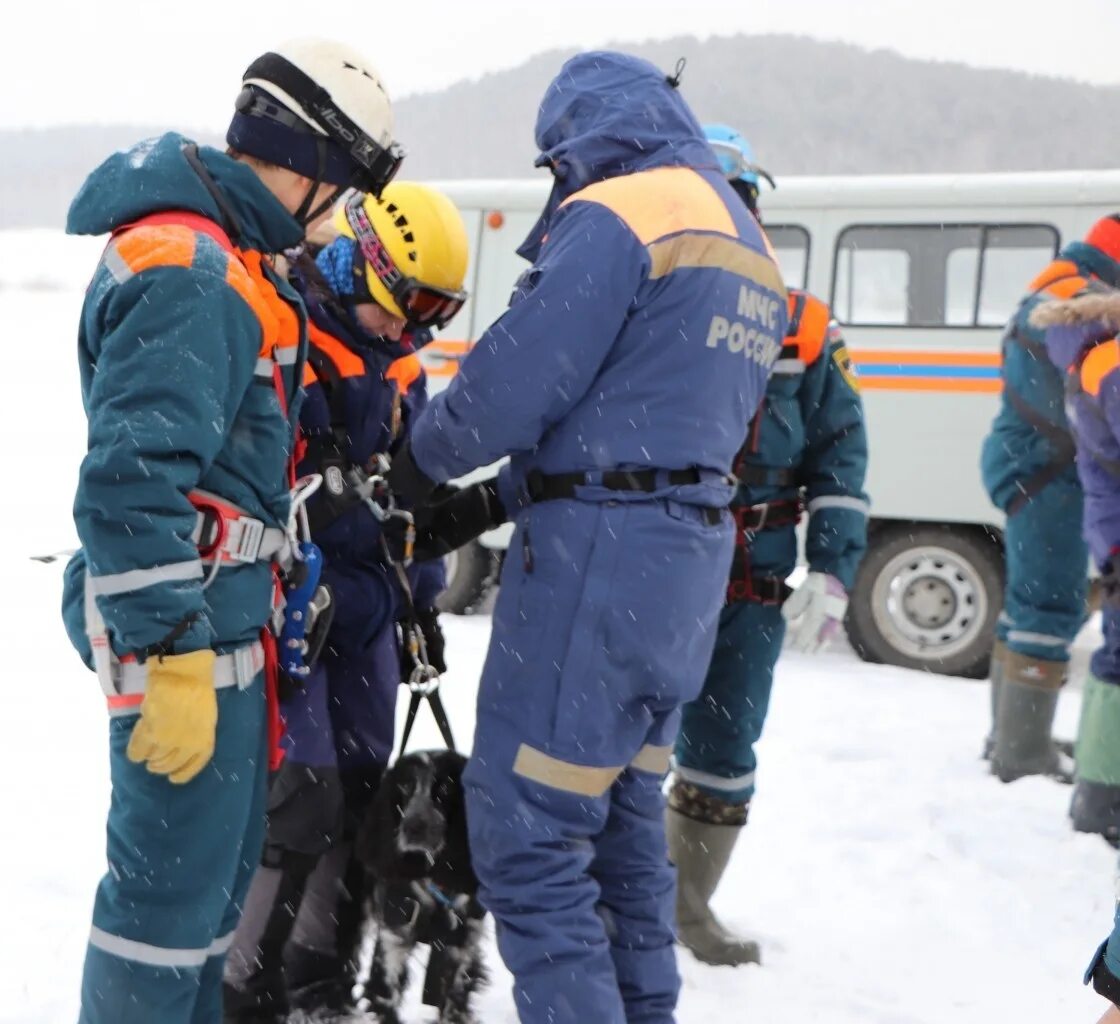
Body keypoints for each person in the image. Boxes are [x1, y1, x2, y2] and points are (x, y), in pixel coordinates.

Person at [386, 51, 787, 1024]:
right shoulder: (742, 236)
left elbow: (518, 377)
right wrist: (492, 503)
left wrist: (420, 461)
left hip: (597, 569)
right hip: (685, 561)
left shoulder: (623, 210)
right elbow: (646, 422)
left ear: (578, 138)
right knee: (618, 841)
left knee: (526, 837)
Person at [59, 40, 400, 1024]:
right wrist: (168, 650)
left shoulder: (236, 260)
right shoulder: (194, 273)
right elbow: (131, 482)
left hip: (225, 626)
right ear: (308, 160)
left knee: (206, 910)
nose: (343, 216)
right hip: (188, 635)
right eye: (344, 188)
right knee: (161, 916)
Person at [222, 182, 468, 1022]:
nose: (413, 330)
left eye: (434, 315)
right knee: (299, 801)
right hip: (292, 610)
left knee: (366, 800)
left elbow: (421, 503)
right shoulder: (286, 334)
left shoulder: (401, 369)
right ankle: (245, 986)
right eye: (406, 307)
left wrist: (422, 602)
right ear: (357, 264)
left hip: (369, 616)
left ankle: (319, 978)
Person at [664, 123, 869, 966]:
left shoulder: (807, 330)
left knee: (722, 745)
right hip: (656, 565)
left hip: (752, 581)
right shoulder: (644, 301)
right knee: (619, 737)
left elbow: (841, 452)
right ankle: (605, 902)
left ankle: (686, 908)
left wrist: (834, 566)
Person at [980, 216, 1120, 783]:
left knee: (1028, 604)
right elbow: (1084, 372)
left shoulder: (1055, 284)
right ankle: (1021, 752)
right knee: (1049, 606)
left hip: (1034, 467)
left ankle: (1012, 738)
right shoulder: (1073, 298)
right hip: (1048, 473)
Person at [1035, 282, 1120, 841]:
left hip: (1111, 526)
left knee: (1116, 654)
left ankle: (1099, 794)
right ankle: (1103, 802)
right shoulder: (1112, 363)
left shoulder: (1093, 355)